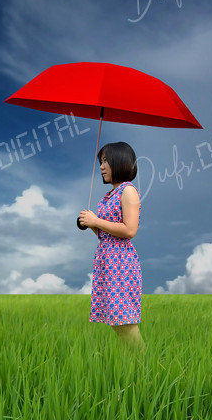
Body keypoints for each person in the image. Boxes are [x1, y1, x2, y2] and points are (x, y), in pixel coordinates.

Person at [78, 141, 144, 349]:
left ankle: (145, 366)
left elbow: (129, 230)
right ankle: (132, 366)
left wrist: (96, 221)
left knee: (125, 323)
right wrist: (90, 224)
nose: (101, 166)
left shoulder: (128, 191)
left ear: (120, 161)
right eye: (100, 161)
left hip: (121, 264)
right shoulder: (109, 196)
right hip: (107, 263)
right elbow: (107, 234)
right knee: (116, 322)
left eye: (105, 161)